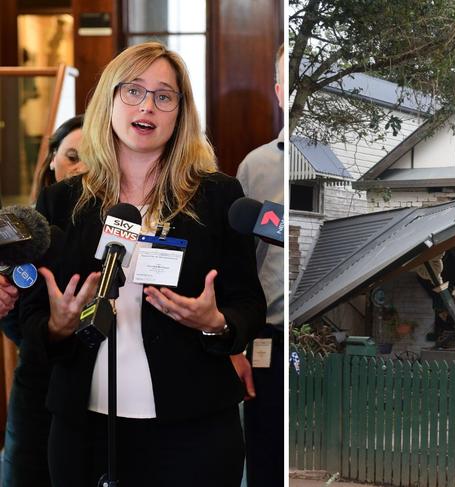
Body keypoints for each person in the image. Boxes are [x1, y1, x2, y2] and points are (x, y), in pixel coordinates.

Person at [20, 42, 265, 487]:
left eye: (163, 96)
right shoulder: (62, 202)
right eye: (133, 91)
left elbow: (247, 305)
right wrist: (57, 325)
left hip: (193, 431)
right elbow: (31, 317)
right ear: (109, 101)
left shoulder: (217, 197)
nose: (147, 106)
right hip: (83, 430)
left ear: (179, 112)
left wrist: (214, 322)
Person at [2, 114, 85, 487]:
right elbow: (13, 323)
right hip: (36, 383)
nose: (79, 167)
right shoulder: (24, 229)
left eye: (92, 158)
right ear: (52, 159)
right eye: (71, 155)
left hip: (90, 392)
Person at [234, 42, 284, 487]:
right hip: (268, 335)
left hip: (320, 334)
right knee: (265, 452)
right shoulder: (255, 167)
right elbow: (236, 261)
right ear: (279, 91)